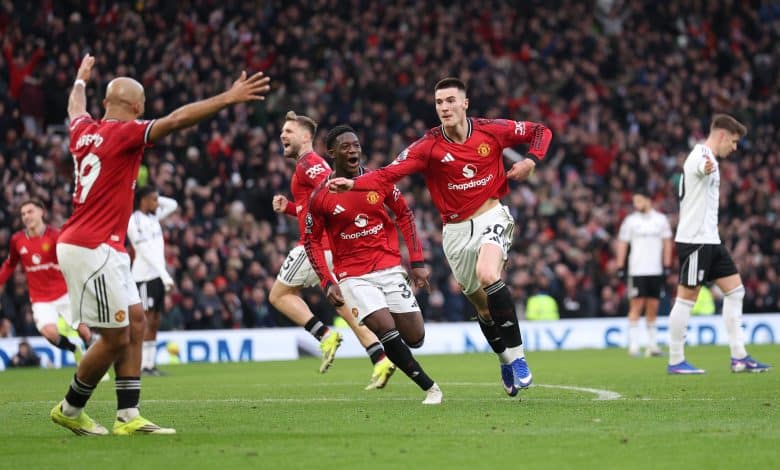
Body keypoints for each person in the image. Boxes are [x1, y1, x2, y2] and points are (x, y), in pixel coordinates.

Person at [50, 53, 270, 436]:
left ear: (105, 104)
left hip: (103, 247)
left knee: (135, 321)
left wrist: (81, 79)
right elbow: (178, 120)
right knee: (116, 335)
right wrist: (227, 98)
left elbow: (75, 107)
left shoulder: (82, 130)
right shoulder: (126, 133)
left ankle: (128, 416)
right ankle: (71, 407)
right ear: (137, 109)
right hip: (93, 246)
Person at [329, 77, 552, 396]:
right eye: (439, 102)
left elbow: (541, 131)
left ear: (465, 104)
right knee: (483, 307)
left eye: (450, 101)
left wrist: (531, 160)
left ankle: (518, 359)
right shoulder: (428, 146)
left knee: (489, 274)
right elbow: (389, 173)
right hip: (455, 233)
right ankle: (503, 359)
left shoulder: (491, 130)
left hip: (492, 214)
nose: (444, 107)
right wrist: (355, 183)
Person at [305, 125, 442, 404]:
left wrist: (416, 261)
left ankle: (408, 359)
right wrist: (327, 281)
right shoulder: (321, 196)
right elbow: (312, 242)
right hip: (353, 276)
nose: (353, 150)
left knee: (416, 337)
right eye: (345, 147)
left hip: (390, 269)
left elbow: (405, 214)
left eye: (356, 145)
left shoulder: (379, 181)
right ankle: (431, 388)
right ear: (332, 153)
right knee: (384, 327)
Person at [270, 111, 395, 390]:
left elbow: (331, 188)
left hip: (314, 247)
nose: (283, 135)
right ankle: (380, 358)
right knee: (347, 309)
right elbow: (314, 207)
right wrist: (290, 208)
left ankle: (324, 335)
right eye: (282, 131)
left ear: (305, 137)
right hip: (329, 247)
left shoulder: (309, 164)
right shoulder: (306, 166)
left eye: (288, 131)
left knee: (278, 295)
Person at [667, 114, 770, 374]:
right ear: (722, 135)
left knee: (736, 292)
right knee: (687, 298)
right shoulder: (700, 155)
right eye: (733, 142)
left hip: (711, 241)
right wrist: (706, 168)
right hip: (695, 241)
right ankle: (676, 359)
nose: (734, 148)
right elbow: (700, 166)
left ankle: (739, 357)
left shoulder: (709, 157)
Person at [0, 199, 93, 361]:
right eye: (23, 214)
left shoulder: (56, 236)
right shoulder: (17, 240)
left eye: (30, 212)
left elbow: (72, 259)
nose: (26, 216)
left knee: (84, 330)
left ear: (41, 212)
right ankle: (74, 349)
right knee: (49, 332)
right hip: (40, 298)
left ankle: (94, 361)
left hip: (65, 293)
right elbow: (10, 264)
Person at [127, 185, 178, 376]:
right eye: (153, 199)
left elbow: (173, 204)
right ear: (143, 200)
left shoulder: (153, 217)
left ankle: (149, 364)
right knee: (145, 320)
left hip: (156, 276)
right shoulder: (134, 221)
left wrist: (153, 197)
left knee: (155, 320)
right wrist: (165, 275)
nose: (158, 203)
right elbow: (144, 252)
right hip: (144, 277)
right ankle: (140, 365)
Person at [615, 188, 672, 357]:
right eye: (635, 202)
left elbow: (667, 242)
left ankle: (652, 346)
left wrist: (667, 265)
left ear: (648, 200)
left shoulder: (661, 220)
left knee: (653, 307)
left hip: (655, 270)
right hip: (637, 270)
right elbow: (622, 243)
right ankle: (634, 346)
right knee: (636, 305)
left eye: (639, 201)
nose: (636, 205)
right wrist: (620, 266)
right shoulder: (630, 221)